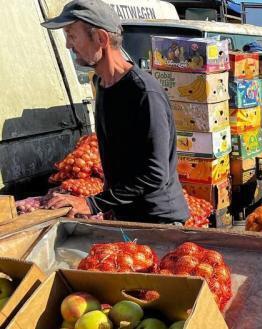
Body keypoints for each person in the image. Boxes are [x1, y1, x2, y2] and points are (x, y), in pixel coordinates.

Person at [42, 0, 189, 224]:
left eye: (72, 36)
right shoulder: (103, 84)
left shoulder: (144, 93)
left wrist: (93, 204)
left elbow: (155, 174)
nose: (68, 46)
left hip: (157, 222)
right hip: (126, 217)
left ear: (101, 38)